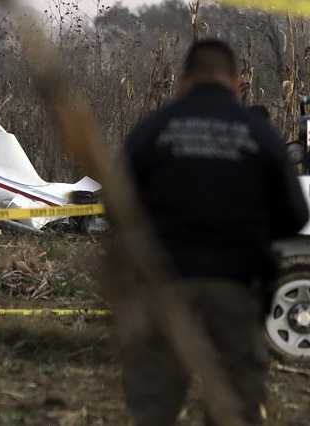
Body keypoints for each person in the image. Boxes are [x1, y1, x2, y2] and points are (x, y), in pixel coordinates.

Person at [120, 39, 309, 425]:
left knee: (152, 408)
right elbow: (294, 216)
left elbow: (117, 204)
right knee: (233, 410)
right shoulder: (259, 134)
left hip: (164, 289)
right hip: (235, 293)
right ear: (237, 83)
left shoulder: (153, 129)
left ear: (181, 81)